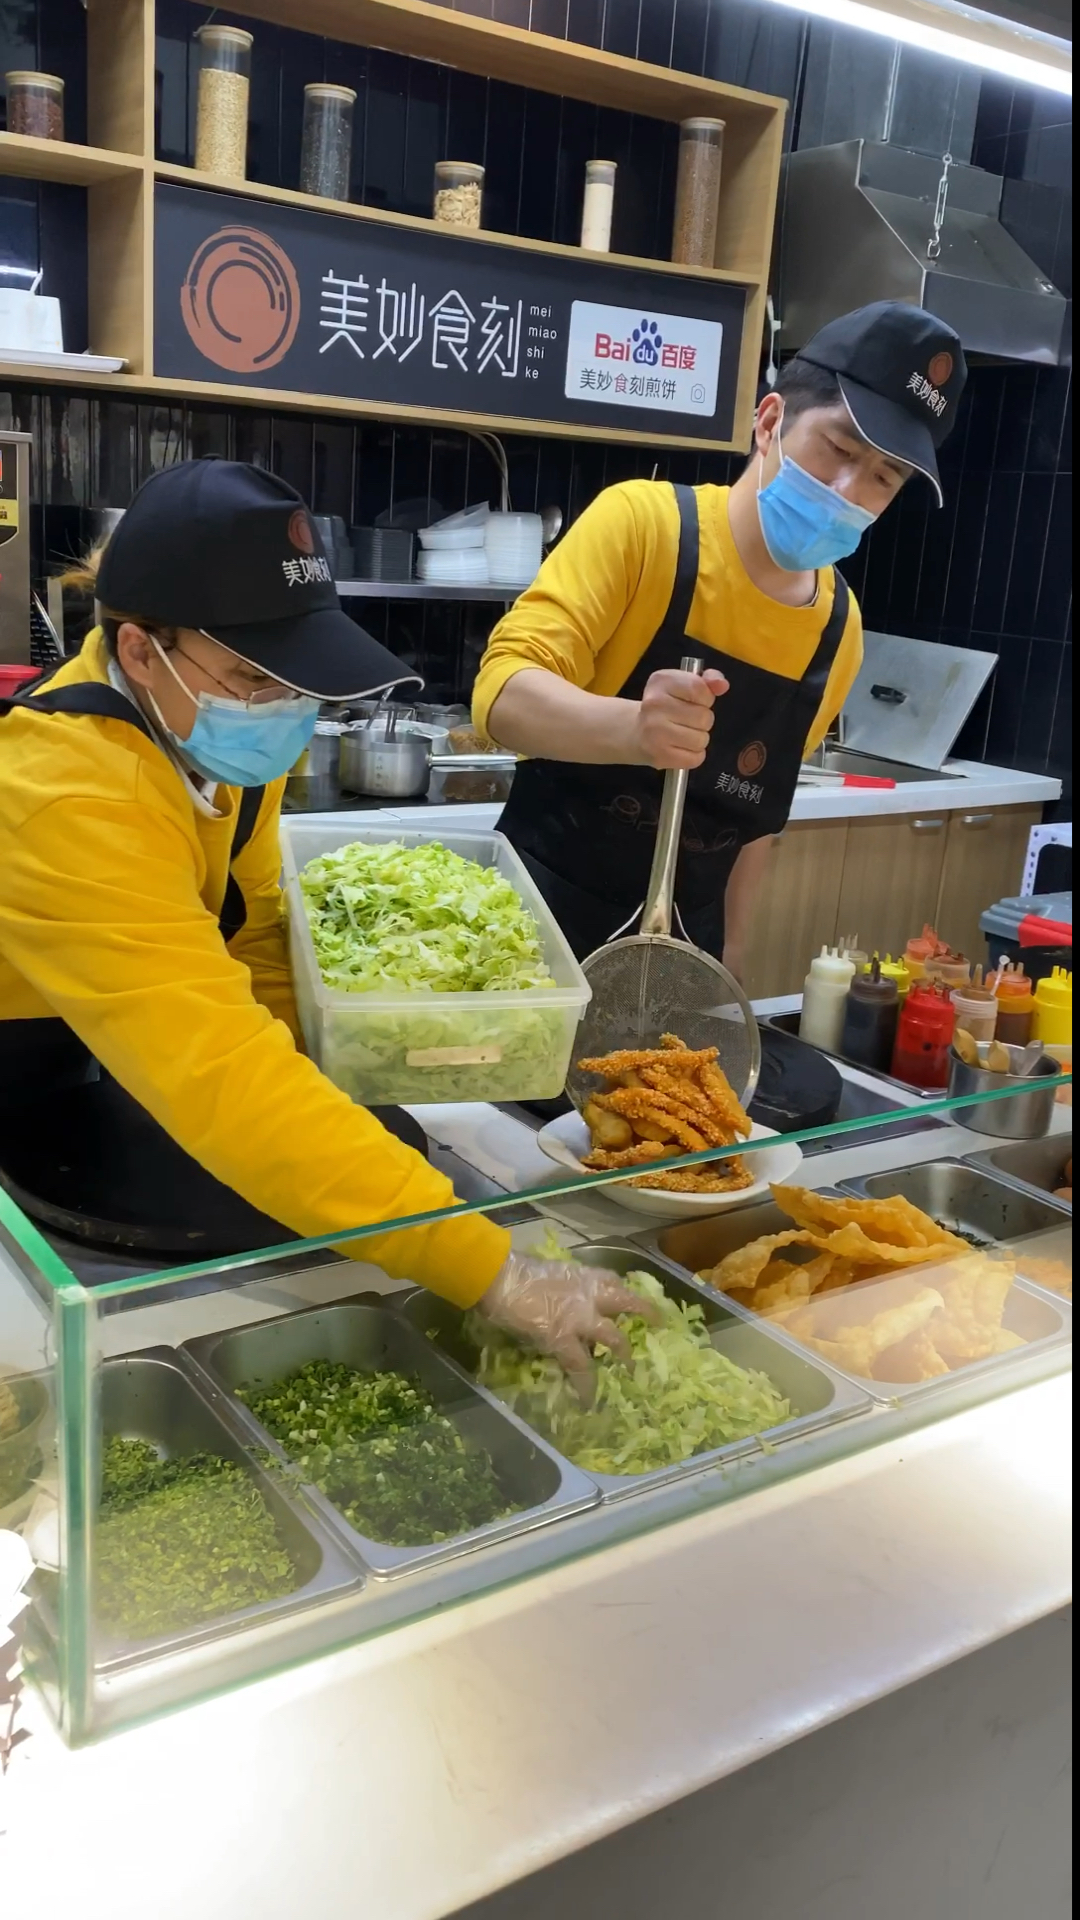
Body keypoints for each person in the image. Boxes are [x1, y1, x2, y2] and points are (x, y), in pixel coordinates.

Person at [0, 458, 646, 1394]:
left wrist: (335, 1094)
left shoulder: (205, 738)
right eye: (251, 676)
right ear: (139, 650)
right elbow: (221, 1075)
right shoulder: (66, 791)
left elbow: (258, 938)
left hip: (104, 1061)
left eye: (295, 678)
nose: (284, 707)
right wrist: (488, 1268)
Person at [474, 301, 968, 980]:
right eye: (839, 449)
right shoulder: (644, 526)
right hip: (536, 925)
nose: (849, 490)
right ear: (769, 422)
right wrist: (633, 729)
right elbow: (501, 694)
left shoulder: (838, 629)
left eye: (884, 478)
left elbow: (755, 821)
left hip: (686, 949)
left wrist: (730, 959)